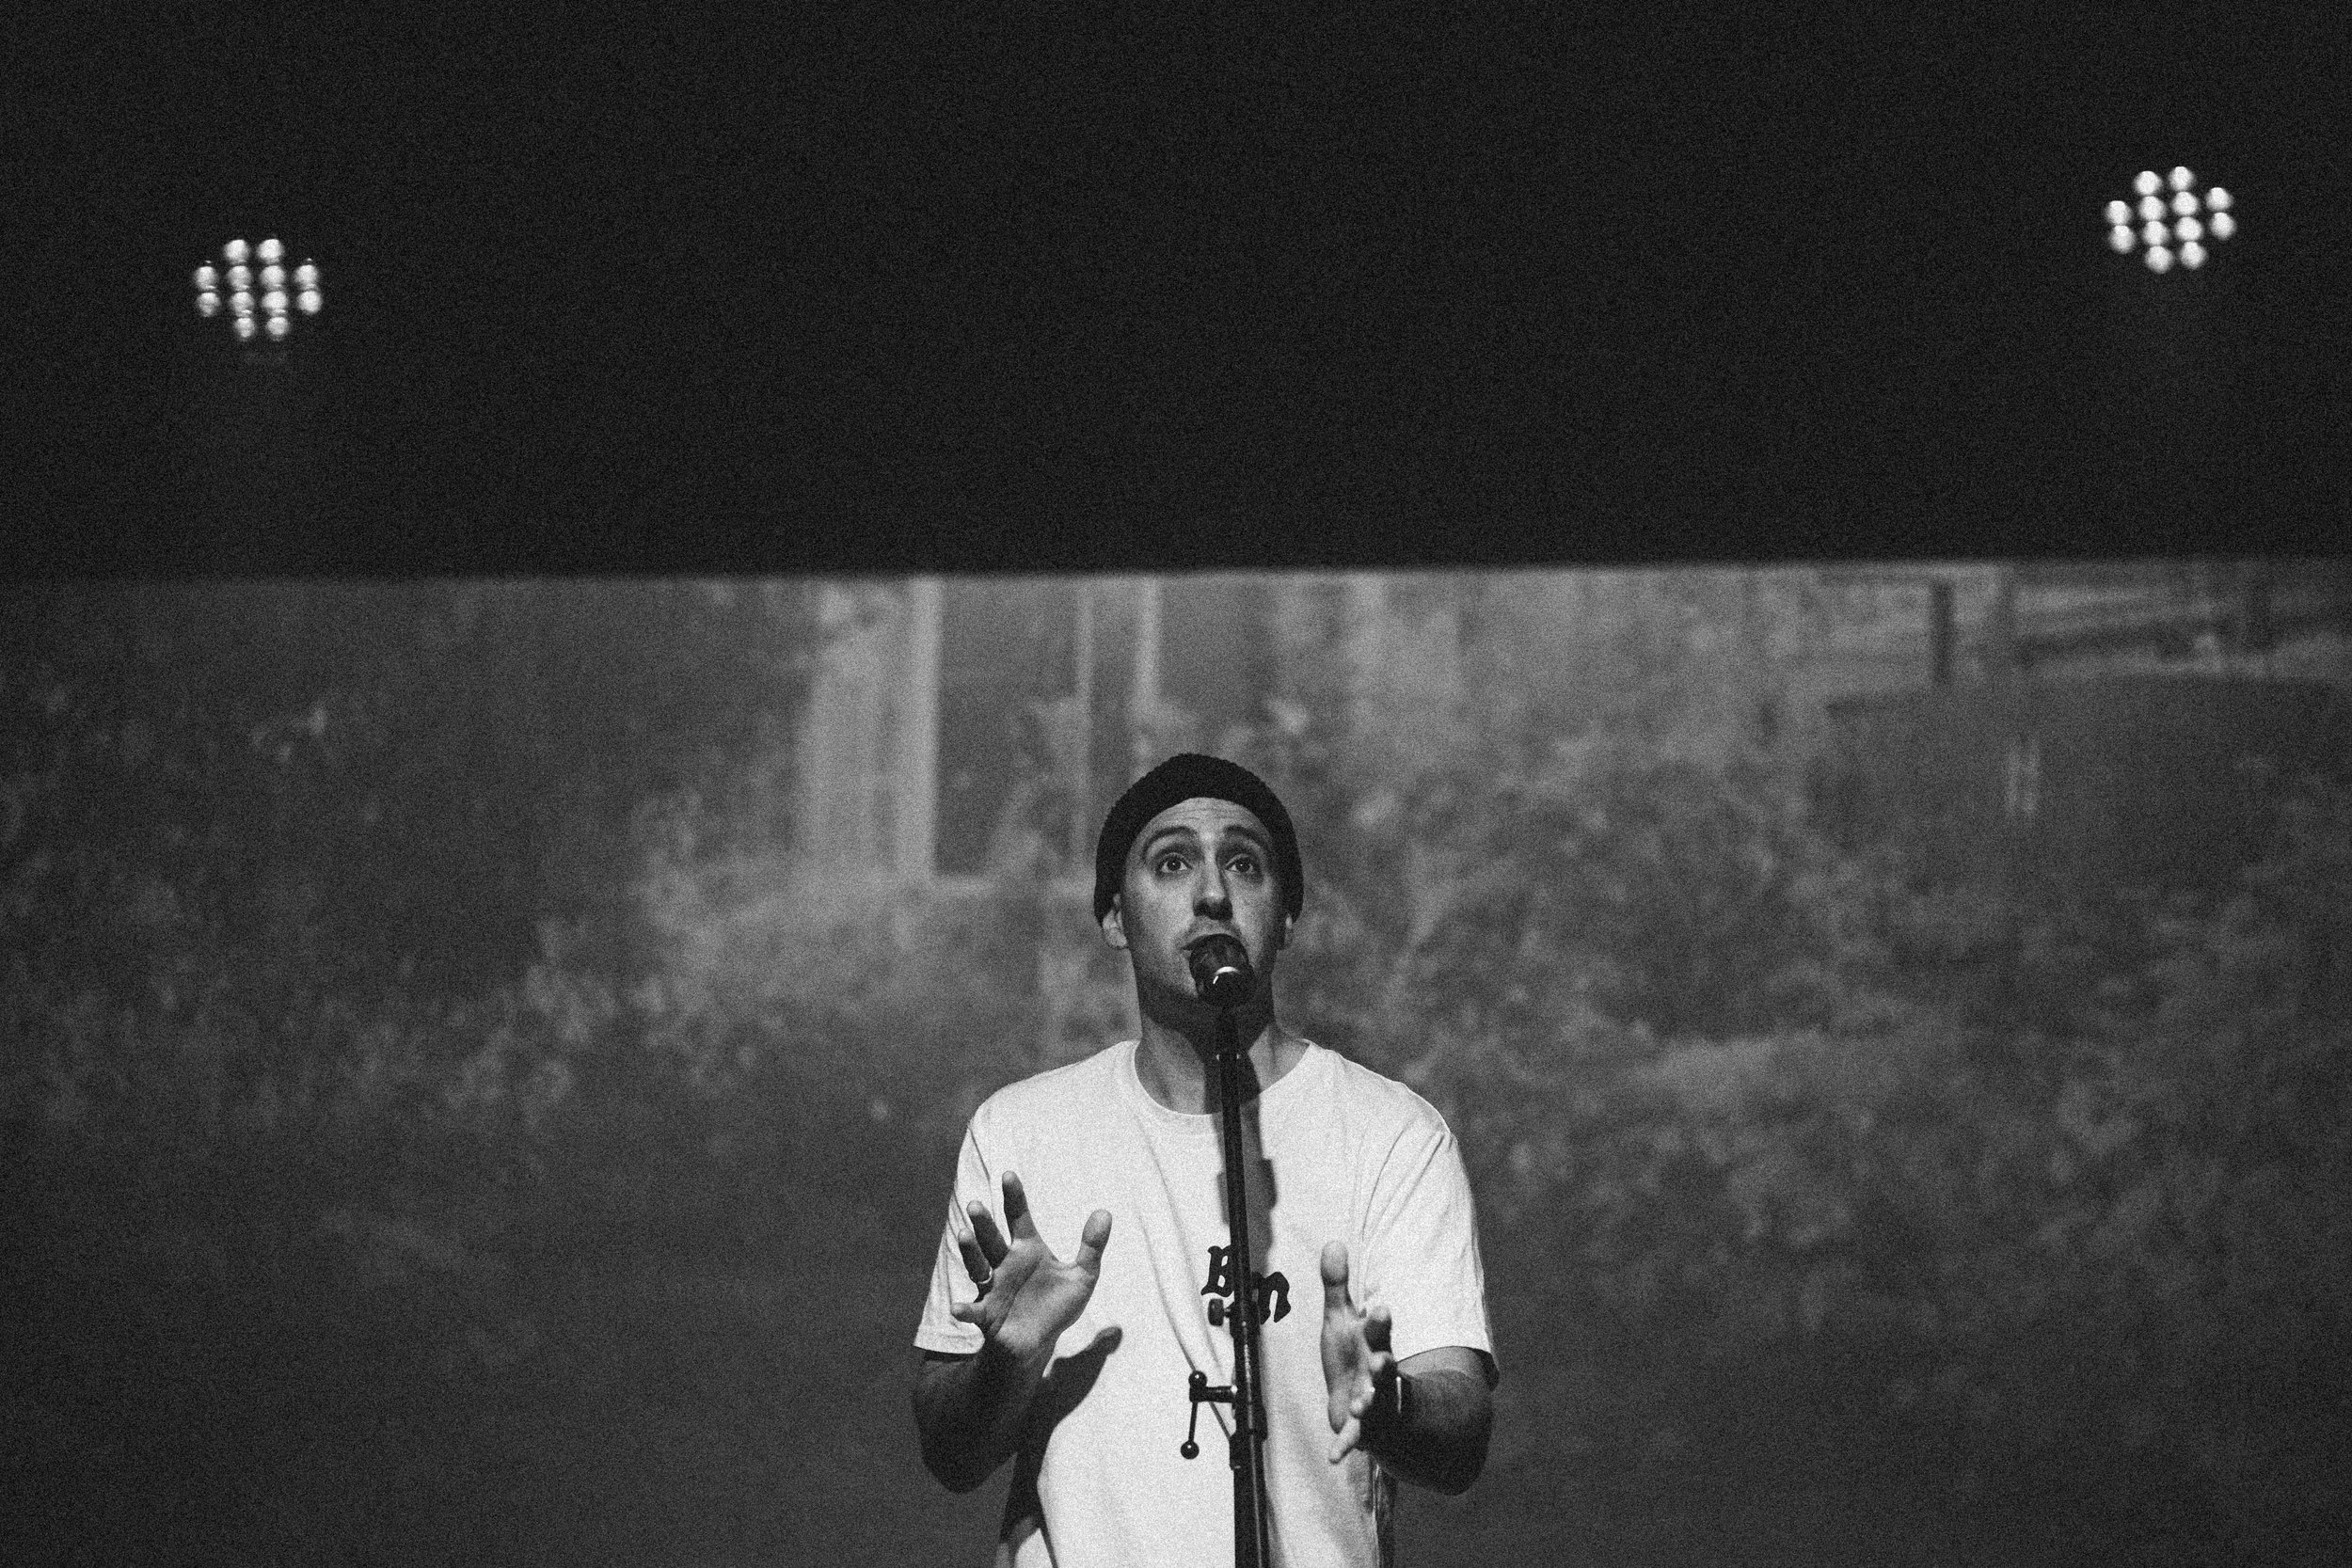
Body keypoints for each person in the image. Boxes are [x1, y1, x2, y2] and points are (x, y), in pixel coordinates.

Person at [911, 752, 1499, 1567]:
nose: (1213, 892)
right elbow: (949, 1449)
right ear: (1116, 916)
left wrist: (1386, 1396)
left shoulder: (1391, 1133)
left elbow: (1461, 1426)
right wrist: (1009, 1361)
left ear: (1285, 917)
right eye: (1173, 861)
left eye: (1245, 864)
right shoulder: (1021, 1129)